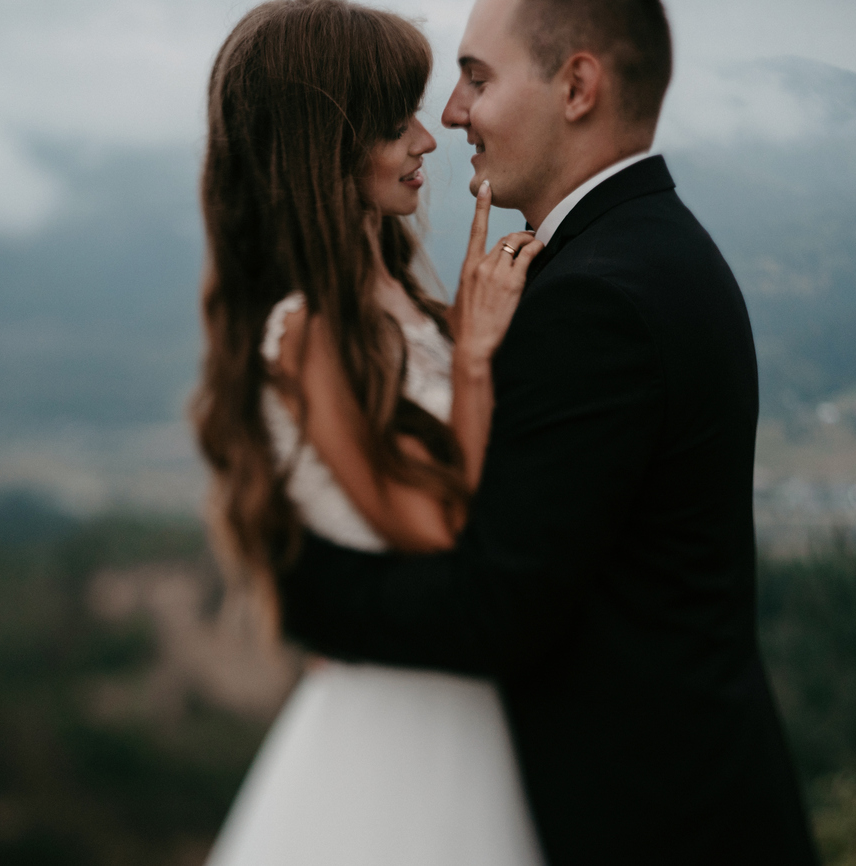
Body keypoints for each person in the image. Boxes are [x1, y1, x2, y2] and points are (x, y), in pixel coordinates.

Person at [276, 0, 821, 863]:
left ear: (577, 86)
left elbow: (497, 608)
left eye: (476, 79)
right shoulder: (641, 251)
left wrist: (300, 586)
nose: (450, 114)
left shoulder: (596, 300)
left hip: (650, 828)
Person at [192, 1, 546, 863]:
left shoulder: (393, 302)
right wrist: (475, 356)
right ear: (325, 148)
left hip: (467, 703)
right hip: (403, 729)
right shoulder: (307, 331)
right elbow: (434, 528)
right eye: (397, 124)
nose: (427, 140)